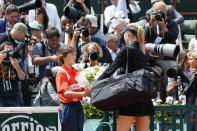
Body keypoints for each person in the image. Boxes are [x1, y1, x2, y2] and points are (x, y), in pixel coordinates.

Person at [97, 23, 154, 131]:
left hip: (130, 97)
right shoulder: (144, 51)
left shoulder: (127, 49)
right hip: (144, 97)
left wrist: (95, 84)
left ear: (128, 34)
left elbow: (110, 69)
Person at [56, 45, 91, 131]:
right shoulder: (62, 73)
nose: (74, 57)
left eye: (75, 54)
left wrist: (90, 90)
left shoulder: (76, 71)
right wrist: (84, 93)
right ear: (63, 56)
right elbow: (66, 93)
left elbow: (82, 88)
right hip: (67, 107)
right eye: (71, 54)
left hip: (78, 105)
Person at [0, 41, 26, 106]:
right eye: (6, 51)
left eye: (11, 51)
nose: (8, 53)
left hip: (14, 97)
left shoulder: (16, 61)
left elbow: (23, 77)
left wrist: (16, 66)